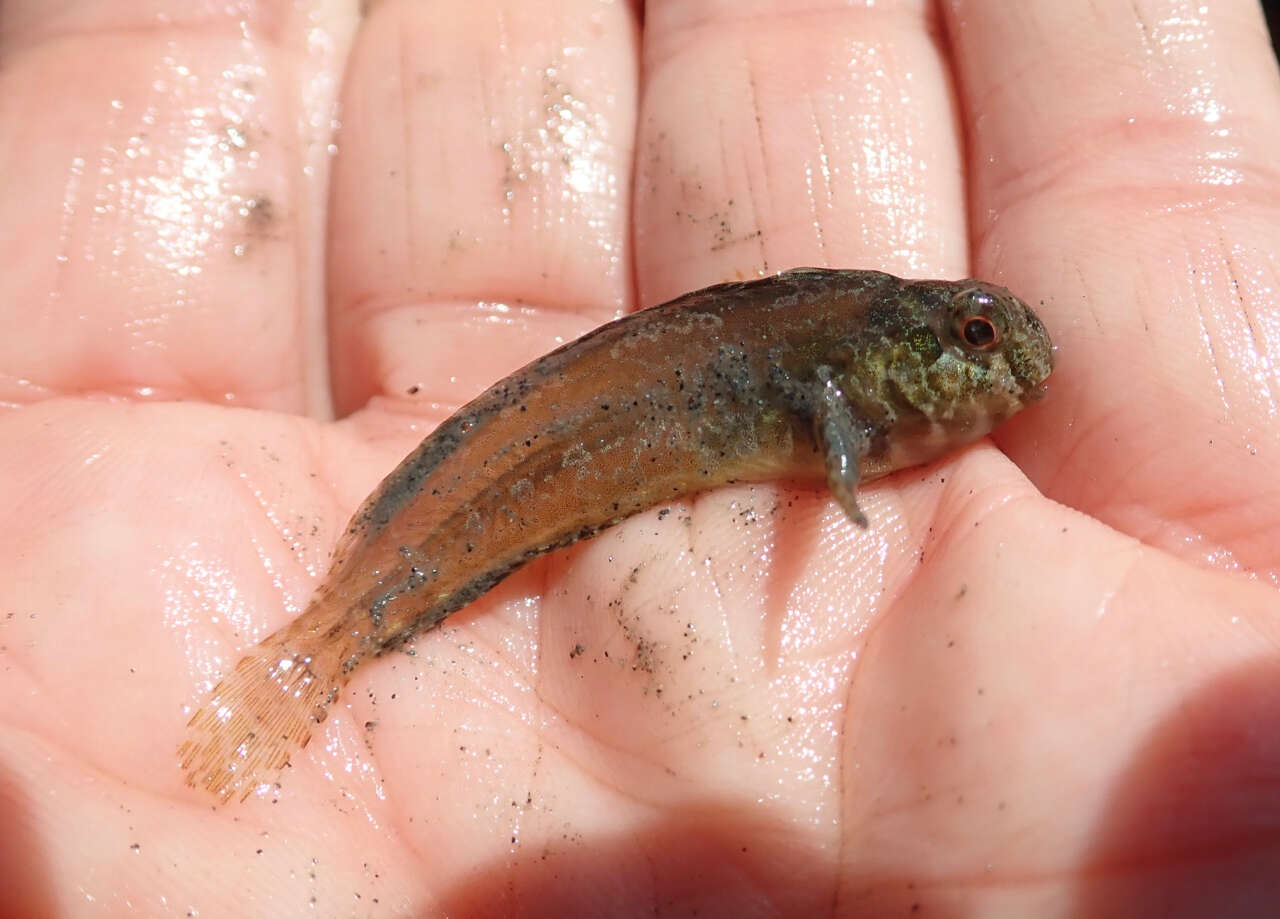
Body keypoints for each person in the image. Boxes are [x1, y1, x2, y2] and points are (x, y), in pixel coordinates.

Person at [2, 1, 1278, 915]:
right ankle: (324, 642)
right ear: (894, 355)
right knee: (433, 548)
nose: (995, 366)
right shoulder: (841, 377)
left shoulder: (859, 372)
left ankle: (327, 642)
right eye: (974, 339)